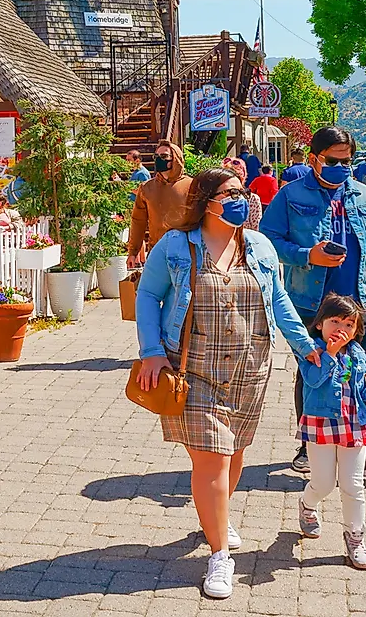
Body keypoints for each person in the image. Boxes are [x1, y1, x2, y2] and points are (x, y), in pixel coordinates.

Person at [133, 169, 318, 601]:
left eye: (243, 192)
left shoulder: (259, 245)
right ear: (206, 200)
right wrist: (151, 351)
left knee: (234, 455)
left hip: (251, 368)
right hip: (192, 369)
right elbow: (147, 295)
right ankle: (219, 556)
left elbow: (280, 301)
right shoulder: (177, 245)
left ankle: (216, 515)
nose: (242, 199)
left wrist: (306, 346)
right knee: (212, 460)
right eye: (231, 193)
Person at [264, 125, 366, 489]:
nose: (342, 166)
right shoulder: (290, 195)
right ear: (314, 159)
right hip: (311, 306)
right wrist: (305, 255)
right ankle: (309, 446)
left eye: (348, 160)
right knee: (314, 375)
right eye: (334, 160)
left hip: (362, 306)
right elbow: (266, 242)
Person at [296, 292, 366, 570]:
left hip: (354, 424)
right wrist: (330, 355)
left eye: (349, 324)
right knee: (323, 484)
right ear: (320, 324)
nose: (341, 329)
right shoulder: (311, 350)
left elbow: (362, 391)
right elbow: (312, 381)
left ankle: (355, 539)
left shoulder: (358, 353)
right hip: (321, 424)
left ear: (357, 329)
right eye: (335, 321)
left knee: (353, 484)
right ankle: (307, 505)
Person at [126, 149, 195, 266]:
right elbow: (138, 221)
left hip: (186, 253)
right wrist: (133, 252)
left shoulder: (191, 185)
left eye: (164, 156)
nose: (159, 159)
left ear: (175, 158)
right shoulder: (147, 188)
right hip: (157, 252)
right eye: (156, 155)